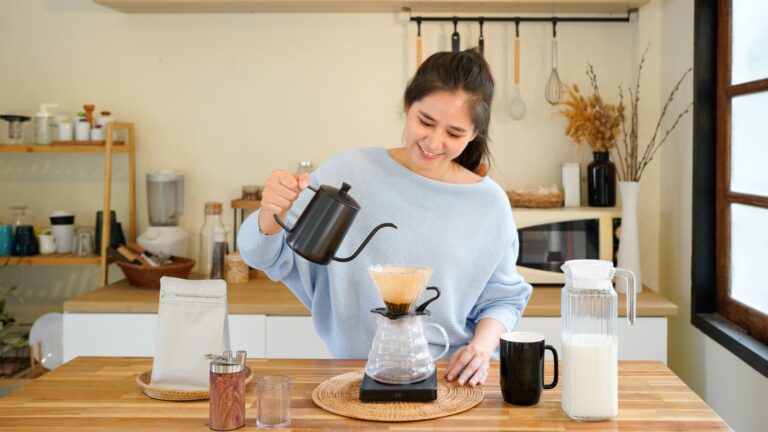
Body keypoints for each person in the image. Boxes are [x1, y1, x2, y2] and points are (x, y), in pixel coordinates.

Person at [239, 48, 532, 387]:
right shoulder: (349, 171)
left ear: (474, 135)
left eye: (454, 133)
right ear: (407, 106)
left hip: (452, 381)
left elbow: (504, 299)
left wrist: (481, 349)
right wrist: (271, 212)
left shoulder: (489, 204)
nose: (434, 142)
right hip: (352, 378)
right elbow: (263, 256)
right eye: (425, 121)